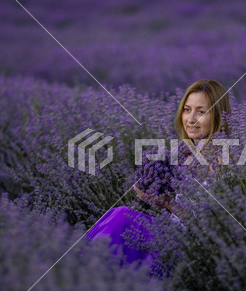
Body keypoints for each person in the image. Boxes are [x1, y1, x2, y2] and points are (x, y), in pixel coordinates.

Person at [86, 79, 232, 272]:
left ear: (218, 117)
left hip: (187, 247)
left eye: (201, 111)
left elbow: (207, 229)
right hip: (166, 231)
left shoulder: (223, 161)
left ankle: (81, 274)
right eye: (187, 110)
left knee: (121, 218)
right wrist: (153, 199)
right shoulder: (186, 153)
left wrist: (167, 203)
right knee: (119, 213)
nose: (191, 119)